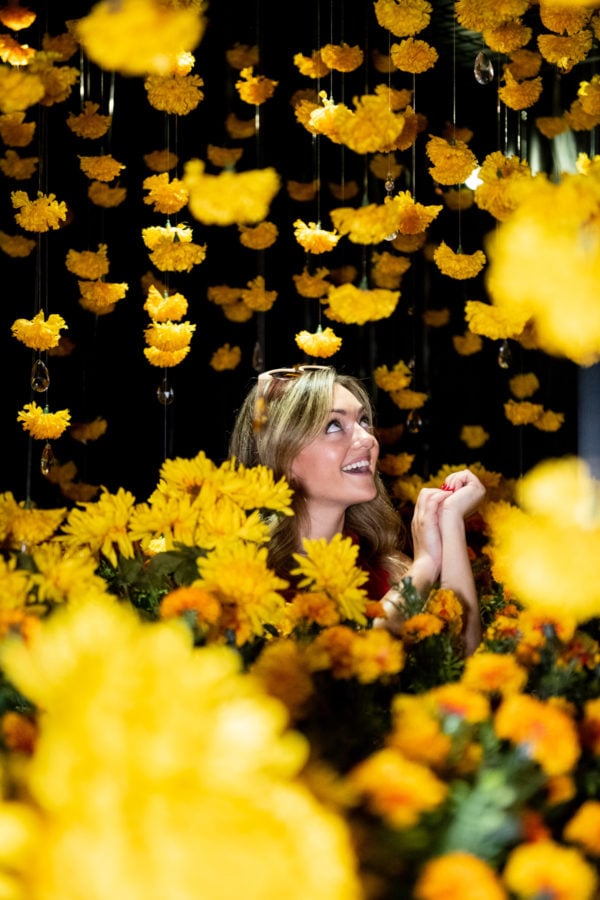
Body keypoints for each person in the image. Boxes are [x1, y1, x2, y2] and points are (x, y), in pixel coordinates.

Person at [229, 364, 486, 655]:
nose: (368, 439)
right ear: (279, 453)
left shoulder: (389, 567)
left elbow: (460, 661)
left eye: (364, 421)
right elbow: (358, 661)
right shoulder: (238, 577)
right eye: (334, 425)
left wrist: (449, 523)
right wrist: (425, 566)